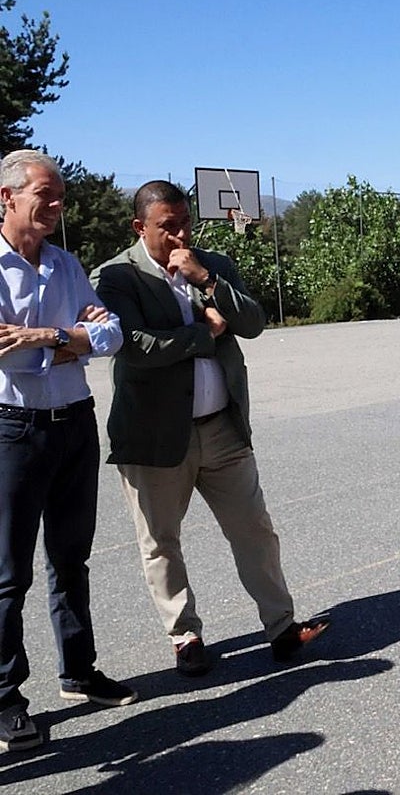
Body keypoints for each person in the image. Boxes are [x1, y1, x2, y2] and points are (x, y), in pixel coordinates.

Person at [90, 180, 329, 677]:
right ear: (140, 228)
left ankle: (281, 627)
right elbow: (135, 347)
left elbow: (255, 322)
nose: (180, 235)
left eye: (185, 223)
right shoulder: (115, 275)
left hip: (222, 428)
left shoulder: (210, 263)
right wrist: (206, 332)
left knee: (255, 530)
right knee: (160, 541)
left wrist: (206, 280)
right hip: (155, 437)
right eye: (167, 227)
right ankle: (185, 636)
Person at [0, 150, 135, 752]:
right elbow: (8, 353)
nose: (57, 207)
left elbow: (110, 333)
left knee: (71, 558)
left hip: (75, 423)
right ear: (7, 198)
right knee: (8, 576)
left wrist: (51, 336)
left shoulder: (65, 264)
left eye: (60, 197)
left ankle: (79, 673)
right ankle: (5, 700)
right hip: (14, 429)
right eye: (43, 196)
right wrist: (71, 340)